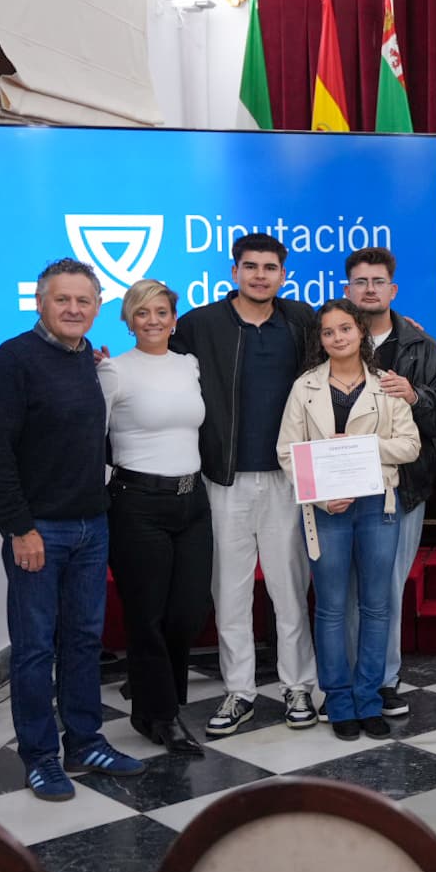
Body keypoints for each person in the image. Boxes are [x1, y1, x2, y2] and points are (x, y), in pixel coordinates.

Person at [0, 258, 146, 801]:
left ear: (97, 307)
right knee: (33, 649)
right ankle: (40, 756)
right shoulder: (11, 361)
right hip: (39, 531)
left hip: (92, 525)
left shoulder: (87, 361)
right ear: (40, 303)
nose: (73, 309)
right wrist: (18, 528)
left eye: (83, 300)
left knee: (84, 641)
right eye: (62, 299)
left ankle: (85, 742)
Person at [172, 233, 319, 736]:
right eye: (251, 266)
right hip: (224, 478)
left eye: (270, 267)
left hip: (287, 478)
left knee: (290, 590)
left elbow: (346, 350)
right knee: (230, 593)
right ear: (234, 271)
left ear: (283, 275)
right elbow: (164, 370)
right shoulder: (200, 324)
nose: (260, 275)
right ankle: (240, 691)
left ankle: (298, 685)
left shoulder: (301, 321)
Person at [278, 299, 420, 740]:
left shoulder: (386, 385)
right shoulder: (304, 387)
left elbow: (410, 445)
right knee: (331, 607)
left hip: (378, 506)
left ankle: (369, 699)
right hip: (328, 510)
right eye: (328, 332)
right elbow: (287, 452)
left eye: (345, 328)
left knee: (377, 605)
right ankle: (338, 701)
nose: (337, 337)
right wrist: (322, 497)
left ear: (361, 332)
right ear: (320, 341)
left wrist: (362, 447)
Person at [343, 247, 436, 719]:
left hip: (403, 487)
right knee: (343, 589)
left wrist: (415, 395)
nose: (369, 289)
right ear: (348, 290)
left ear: (392, 289)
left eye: (378, 282)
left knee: (388, 588)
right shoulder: (328, 339)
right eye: (361, 282)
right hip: (340, 488)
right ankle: (344, 680)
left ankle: (383, 680)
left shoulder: (423, 349)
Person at [99, 279, 212, 755]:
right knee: (147, 615)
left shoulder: (189, 365)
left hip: (193, 500)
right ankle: (162, 715)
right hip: (138, 503)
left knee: (189, 612)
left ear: (173, 318)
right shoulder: (113, 371)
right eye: (142, 312)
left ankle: (152, 698)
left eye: (161, 312)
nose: (152, 320)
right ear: (128, 320)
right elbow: (91, 437)